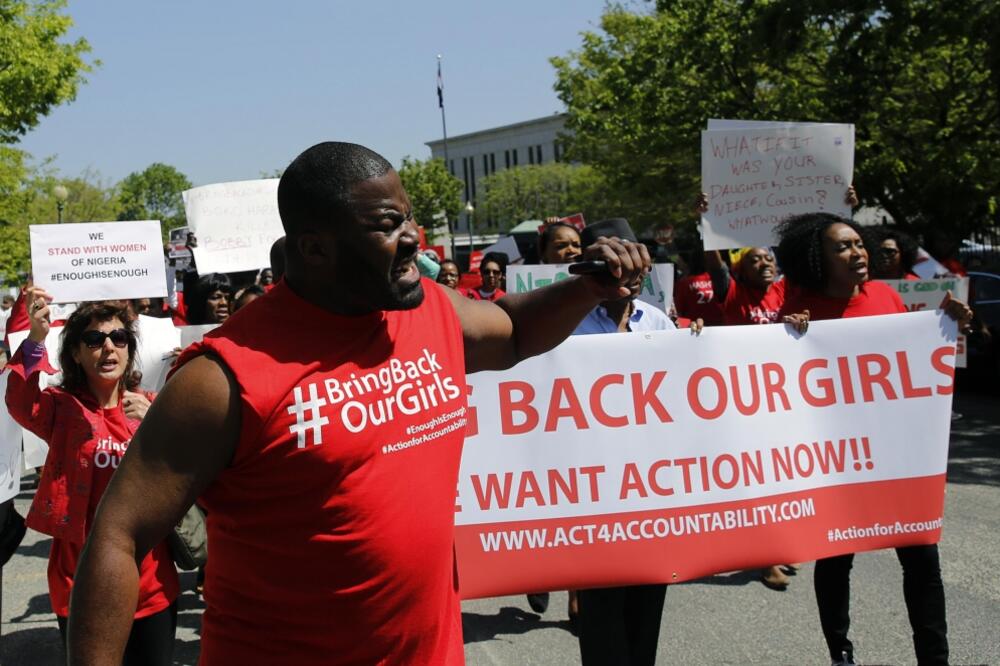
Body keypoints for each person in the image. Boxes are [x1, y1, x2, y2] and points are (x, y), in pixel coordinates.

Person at [67, 141, 650, 665]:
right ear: (315, 248)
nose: (413, 237)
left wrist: (587, 289)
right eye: (388, 224)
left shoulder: (429, 312)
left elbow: (514, 331)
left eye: (410, 215)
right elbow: (118, 537)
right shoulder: (223, 378)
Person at [775, 212, 973, 666]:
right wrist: (789, 335)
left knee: (922, 561)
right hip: (835, 459)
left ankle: (934, 656)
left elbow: (911, 364)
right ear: (816, 260)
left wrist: (947, 324)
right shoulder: (799, 312)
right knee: (836, 559)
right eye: (842, 247)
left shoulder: (885, 295)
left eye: (858, 243)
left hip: (894, 455)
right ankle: (841, 653)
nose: (857, 253)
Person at [4, 291, 178, 665]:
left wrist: (156, 425)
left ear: (130, 350)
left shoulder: (152, 406)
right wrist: (35, 339)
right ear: (77, 354)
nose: (108, 348)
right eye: (95, 340)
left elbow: (189, 472)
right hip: (78, 579)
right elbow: (20, 401)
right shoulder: (63, 409)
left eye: (119, 339)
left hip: (149, 581)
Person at [572, 218, 678, 666]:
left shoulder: (657, 321)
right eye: (612, 264)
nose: (625, 274)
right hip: (591, 496)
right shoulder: (565, 324)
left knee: (645, 617)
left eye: (634, 263)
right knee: (602, 621)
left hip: (649, 494)